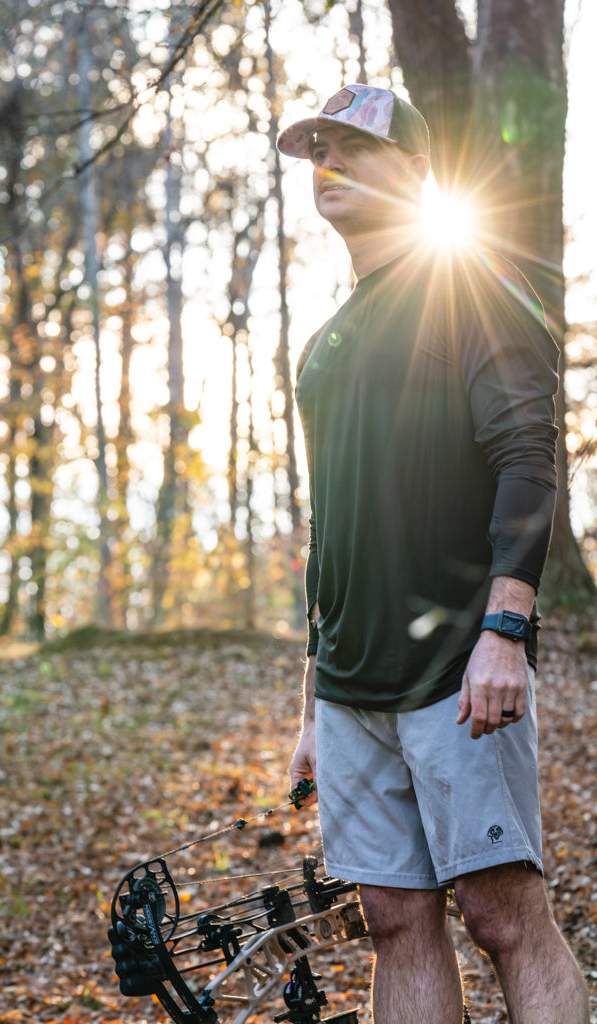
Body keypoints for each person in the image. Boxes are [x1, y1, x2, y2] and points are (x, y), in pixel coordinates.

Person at [277, 84, 589, 1024]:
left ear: (415, 173)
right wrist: (308, 705)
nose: (328, 163)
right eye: (317, 150)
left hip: (458, 671)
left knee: (501, 914)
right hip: (349, 690)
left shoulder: (472, 288)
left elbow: (527, 461)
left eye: (353, 148)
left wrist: (504, 628)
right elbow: (330, 533)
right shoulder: (325, 345)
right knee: (392, 916)